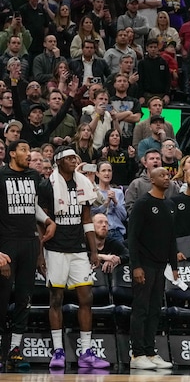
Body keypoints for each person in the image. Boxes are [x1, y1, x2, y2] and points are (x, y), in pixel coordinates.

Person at [38, 146, 109, 370]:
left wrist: (94, 251)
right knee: (56, 299)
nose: (73, 160)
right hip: (55, 248)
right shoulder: (46, 186)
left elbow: (87, 218)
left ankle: (86, 352)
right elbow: (41, 222)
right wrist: (40, 255)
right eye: (68, 158)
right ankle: (58, 350)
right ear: (58, 161)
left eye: (74, 158)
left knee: (86, 298)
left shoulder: (83, 183)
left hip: (78, 248)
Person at [0, 140, 56, 369]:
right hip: (6, 245)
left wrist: (47, 220)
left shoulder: (33, 177)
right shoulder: (1, 176)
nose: (28, 154)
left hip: (30, 242)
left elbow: (33, 206)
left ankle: (14, 349)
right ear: (12, 154)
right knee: (2, 300)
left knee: (25, 299)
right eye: (23, 150)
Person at [127, 167, 178, 370]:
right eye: (162, 175)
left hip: (161, 265)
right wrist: (136, 266)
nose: (166, 178)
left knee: (155, 309)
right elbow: (132, 237)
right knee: (141, 309)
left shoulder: (169, 204)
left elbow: (171, 238)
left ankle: (149, 351)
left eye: (168, 175)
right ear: (151, 178)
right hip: (144, 263)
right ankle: (137, 353)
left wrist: (173, 266)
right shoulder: (142, 204)